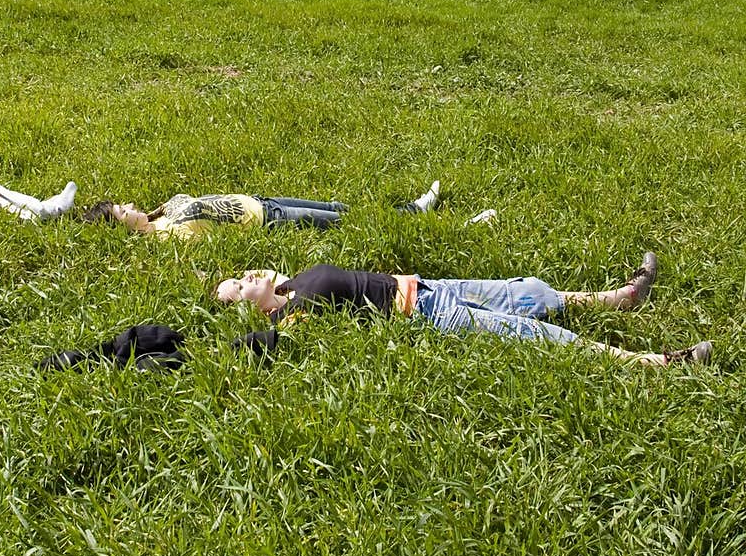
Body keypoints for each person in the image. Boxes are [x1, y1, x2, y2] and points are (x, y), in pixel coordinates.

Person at [214, 254, 713, 368]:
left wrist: (266, 285)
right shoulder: (291, 318)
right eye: (240, 287)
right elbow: (279, 348)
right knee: (532, 334)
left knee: (530, 293)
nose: (247, 277)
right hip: (430, 316)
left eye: (242, 274)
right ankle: (653, 364)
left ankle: (617, 300)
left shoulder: (291, 279)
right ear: (251, 312)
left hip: (429, 285)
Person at [79, 180, 441, 240]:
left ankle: (407, 209)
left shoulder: (160, 214)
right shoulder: (162, 238)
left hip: (264, 202)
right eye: (121, 212)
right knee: (343, 222)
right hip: (269, 221)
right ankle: (414, 214)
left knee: (336, 206)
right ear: (122, 229)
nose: (128, 206)